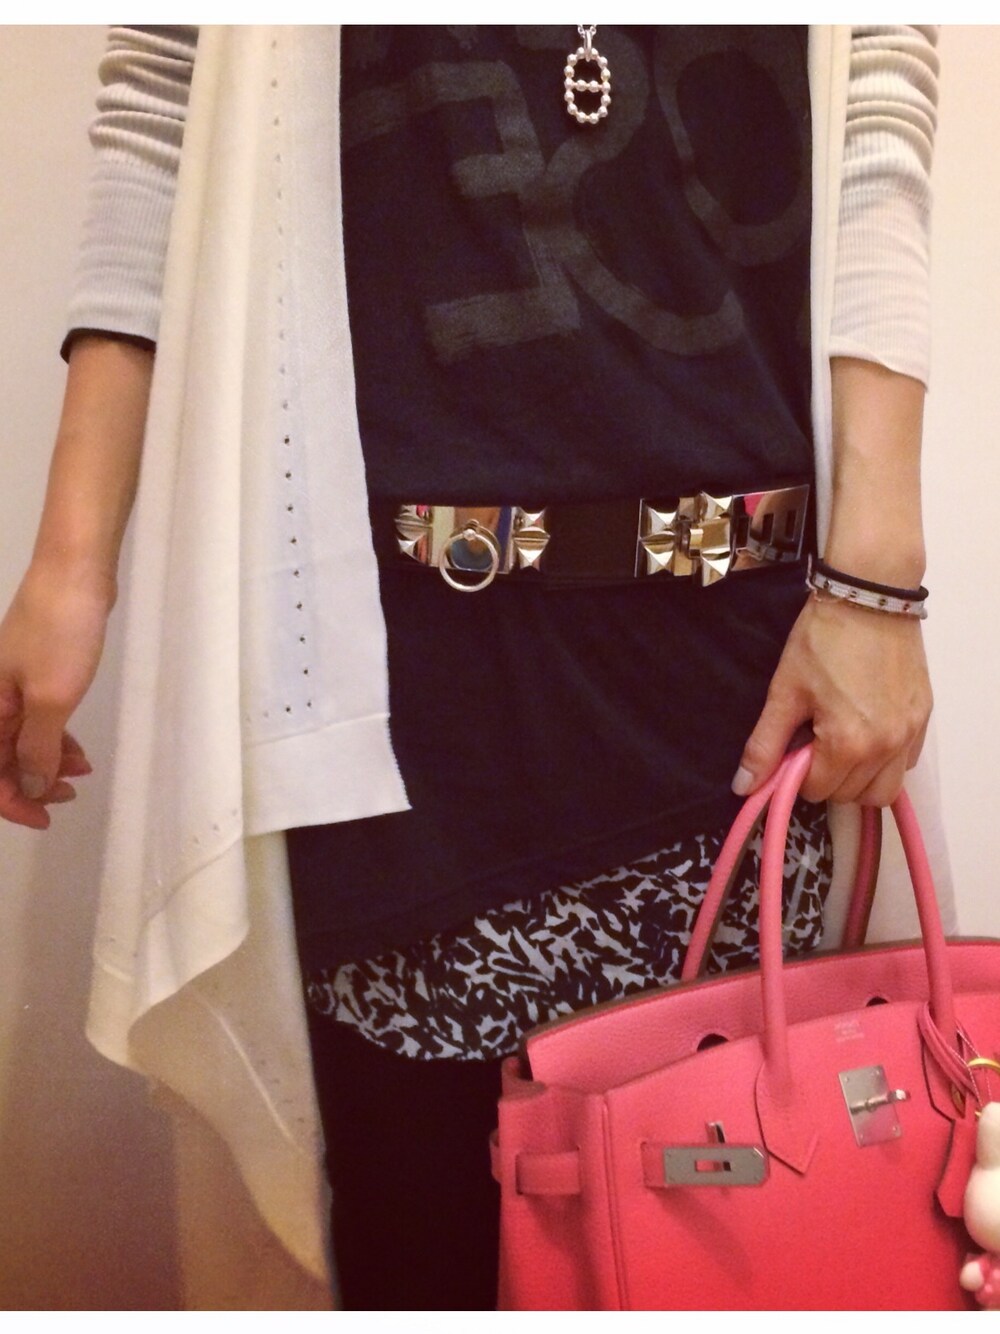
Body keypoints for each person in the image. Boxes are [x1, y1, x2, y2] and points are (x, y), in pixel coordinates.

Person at [0, 25, 938, 1310]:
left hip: (747, 672)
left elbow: (880, 98)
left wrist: (878, 579)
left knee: (749, 1247)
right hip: (395, 687)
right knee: (420, 1248)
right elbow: (165, 97)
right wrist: (70, 561)